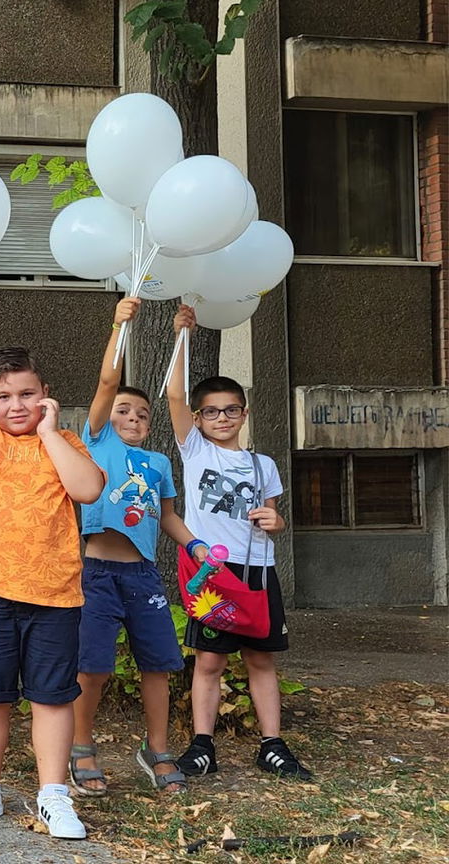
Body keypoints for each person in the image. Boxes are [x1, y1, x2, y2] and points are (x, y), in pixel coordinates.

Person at [0, 348, 105, 840]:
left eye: (27, 394)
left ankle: (53, 793)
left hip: (55, 592)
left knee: (52, 695)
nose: (17, 405)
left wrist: (51, 433)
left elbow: (88, 490)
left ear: (45, 396)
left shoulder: (65, 441)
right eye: (4, 396)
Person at [70, 298, 208, 797]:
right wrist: (119, 325)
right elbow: (109, 383)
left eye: (142, 413)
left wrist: (196, 547)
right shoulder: (98, 441)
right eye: (124, 411)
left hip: (143, 577)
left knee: (160, 663)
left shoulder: (157, 461)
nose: (132, 417)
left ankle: (157, 748)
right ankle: (80, 745)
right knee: (94, 665)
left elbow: (168, 516)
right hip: (96, 572)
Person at [168, 305, 311, 781]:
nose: (222, 417)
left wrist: (276, 520)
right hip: (215, 577)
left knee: (261, 660)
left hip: (258, 573)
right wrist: (181, 336)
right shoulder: (195, 450)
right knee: (209, 662)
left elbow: (276, 519)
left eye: (231, 410)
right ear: (199, 418)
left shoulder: (262, 463)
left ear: (244, 414)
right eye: (211, 411)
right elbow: (173, 395)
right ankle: (201, 746)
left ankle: (273, 744)